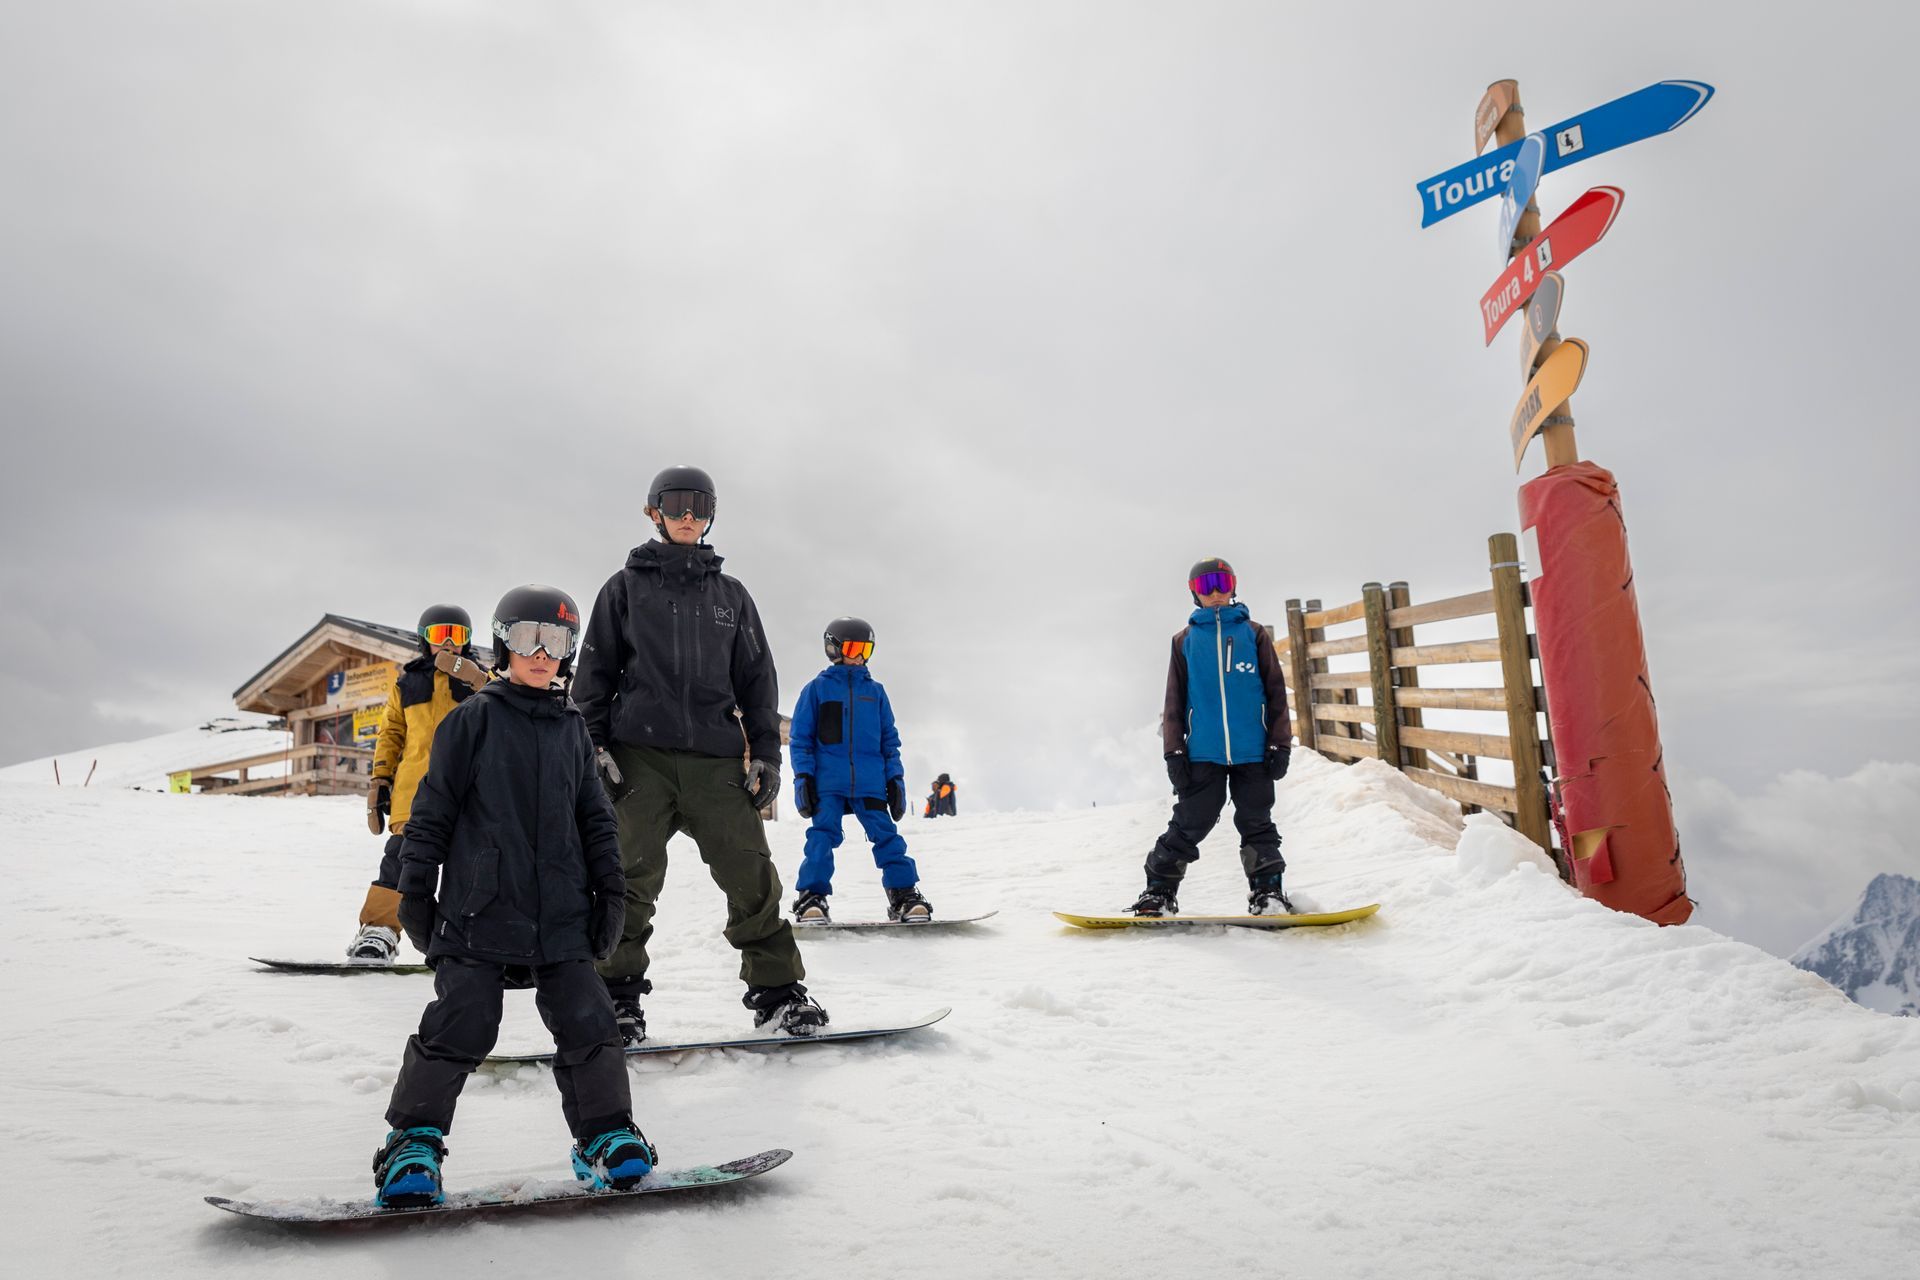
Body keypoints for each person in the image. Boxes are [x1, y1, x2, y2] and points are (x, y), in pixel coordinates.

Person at [371, 585, 650, 1208]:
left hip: (561, 913)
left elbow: (595, 819)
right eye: (529, 638)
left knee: (590, 1019)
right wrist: (415, 885)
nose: (543, 653)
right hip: (478, 906)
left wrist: (610, 890)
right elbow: (433, 810)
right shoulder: (472, 719)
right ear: (503, 642)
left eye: (558, 641)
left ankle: (604, 1137)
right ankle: (411, 1143)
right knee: (463, 1019)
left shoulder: (572, 729)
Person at [570, 465, 826, 1044]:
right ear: (653, 511)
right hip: (640, 760)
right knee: (626, 880)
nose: (689, 516)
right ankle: (615, 998)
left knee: (751, 876)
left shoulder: (731, 596)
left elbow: (758, 682)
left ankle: (780, 993)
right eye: (677, 504)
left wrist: (766, 756)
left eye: (701, 506)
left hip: (715, 761)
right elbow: (593, 679)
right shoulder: (623, 588)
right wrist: (595, 747)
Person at [1129, 558, 1293, 917]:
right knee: (1191, 820)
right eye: (1206, 586)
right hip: (1203, 753)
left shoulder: (1254, 633)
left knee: (1256, 820)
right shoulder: (1184, 641)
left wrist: (1280, 743)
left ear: (1234, 586)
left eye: (1222, 583)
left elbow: (1276, 693)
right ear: (1195, 594)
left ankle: (1268, 893)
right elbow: (1173, 701)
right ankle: (1158, 891)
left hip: (1253, 751)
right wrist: (1174, 751)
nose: (1216, 592)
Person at [349, 604, 489, 962]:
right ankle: (379, 932)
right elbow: (391, 733)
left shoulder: (482, 682)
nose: (447, 643)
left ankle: (469, 936)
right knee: (400, 862)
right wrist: (380, 779)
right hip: (413, 795)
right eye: (439, 634)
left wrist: (478, 680)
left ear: (468, 641)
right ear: (423, 640)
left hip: (468, 794)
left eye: (456, 636)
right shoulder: (408, 682)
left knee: (472, 866)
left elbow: (504, 718)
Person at [787, 617, 930, 924]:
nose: (860, 656)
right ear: (833, 649)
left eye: (866, 650)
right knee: (822, 837)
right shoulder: (816, 691)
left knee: (888, 837)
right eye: (853, 648)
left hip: (870, 782)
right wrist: (804, 777)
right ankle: (811, 898)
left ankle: (904, 895)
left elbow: (890, 741)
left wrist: (895, 778)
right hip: (828, 782)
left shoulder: (876, 693)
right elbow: (801, 740)